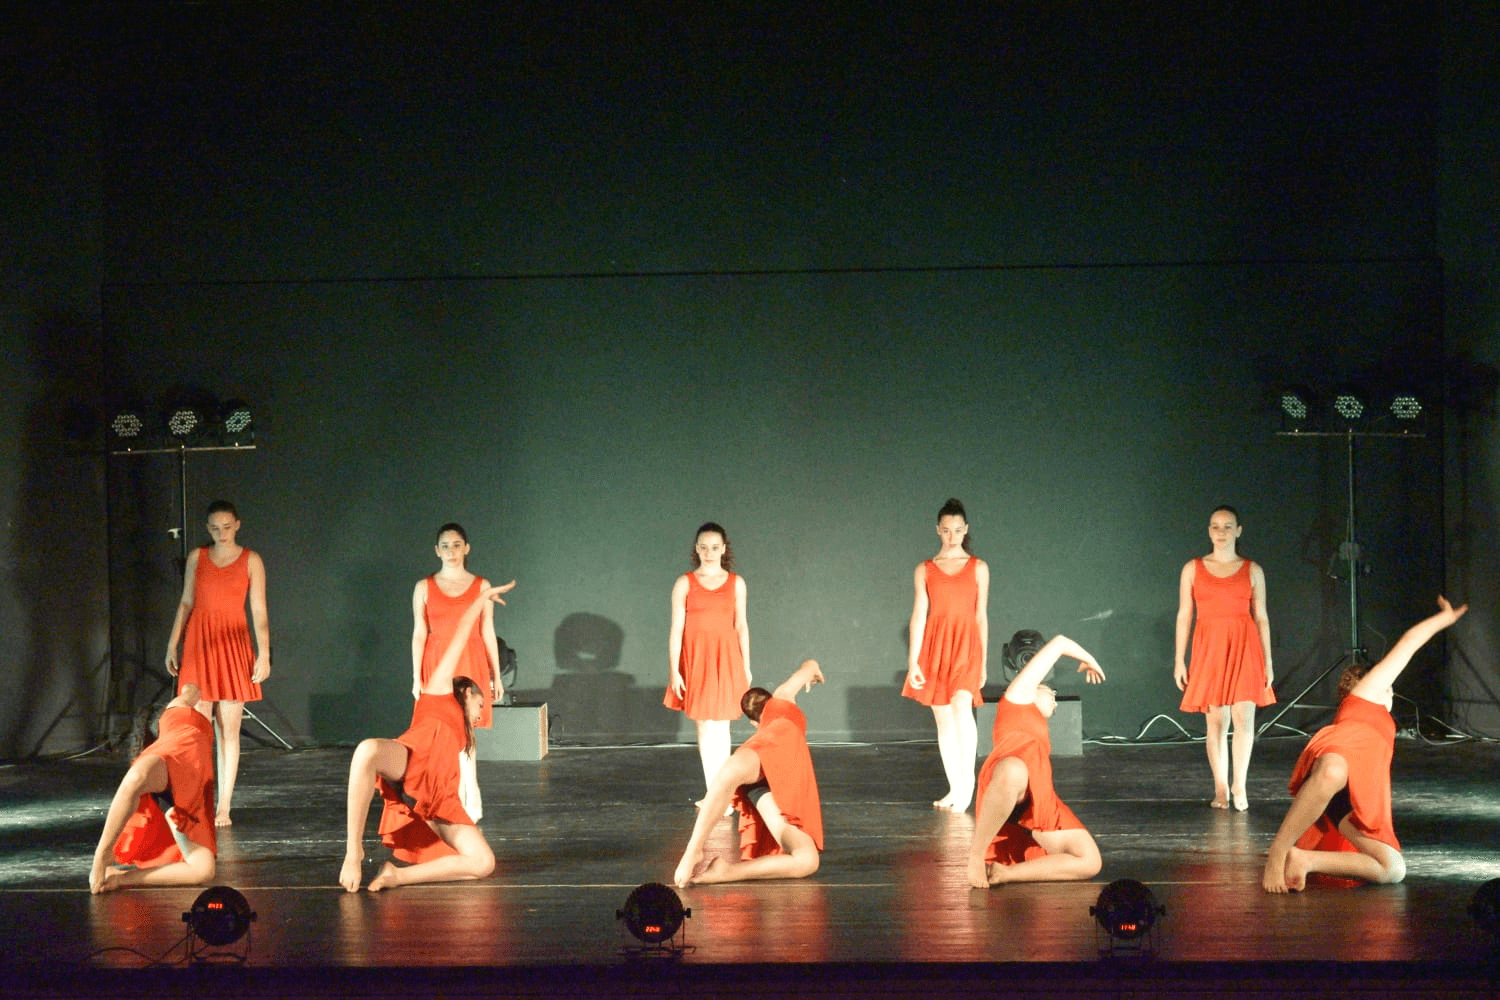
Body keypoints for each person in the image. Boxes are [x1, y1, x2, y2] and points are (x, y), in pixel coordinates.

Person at [1261, 596, 1466, 894]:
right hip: (1336, 761)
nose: (1391, 692)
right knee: (1333, 771)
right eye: (1389, 688)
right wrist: (1444, 619)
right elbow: (1408, 643)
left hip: (1351, 792)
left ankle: (1305, 859)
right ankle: (1278, 853)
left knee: (1393, 868)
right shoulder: (1368, 694)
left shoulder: (1370, 710)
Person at [340, 580, 515, 892]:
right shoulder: (438, 692)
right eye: (480, 704)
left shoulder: (464, 733)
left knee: (484, 863)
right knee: (367, 750)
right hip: (409, 763)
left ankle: (396, 876)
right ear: (466, 692)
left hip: (438, 801)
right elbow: (460, 634)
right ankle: (353, 852)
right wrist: (481, 600)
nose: (481, 714)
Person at [968, 634, 1105, 889]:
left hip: (1038, 797)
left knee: (1090, 862)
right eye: (1049, 690)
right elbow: (1060, 642)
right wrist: (1089, 659)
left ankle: (1005, 874)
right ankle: (976, 856)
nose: (1054, 698)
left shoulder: (1038, 724)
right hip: (1008, 780)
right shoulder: (1015, 701)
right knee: (1014, 769)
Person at [165, 499, 271, 827]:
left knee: (229, 731)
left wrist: (264, 653)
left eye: (226, 527)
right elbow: (186, 602)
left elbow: (259, 610)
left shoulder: (251, 560)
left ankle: (223, 806)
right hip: (200, 644)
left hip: (233, 644)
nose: (221, 533)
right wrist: (172, 644)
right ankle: (198, 800)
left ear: (237, 525)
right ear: (207, 528)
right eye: (214, 528)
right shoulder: (197, 557)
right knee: (198, 730)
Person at [673, 659, 825, 887]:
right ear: (769, 700)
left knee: (807, 861)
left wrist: (811, 671)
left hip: (766, 781)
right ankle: (693, 851)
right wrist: (815, 674)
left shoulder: (777, 705)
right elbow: (810, 665)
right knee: (731, 771)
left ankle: (724, 871)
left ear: (754, 723)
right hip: (772, 753)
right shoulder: (782, 697)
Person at [1173, 505, 1274, 811]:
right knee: (1217, 723)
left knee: (1244, 719)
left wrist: (1268, 661)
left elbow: (1262, 617)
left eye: (1228, 526)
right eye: (1215, 526)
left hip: (1245, 647)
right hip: (1210, 649)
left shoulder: (1253, 570)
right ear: (1209, 531)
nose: (1221, 532)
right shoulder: (1193, 568)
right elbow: (1184, 615)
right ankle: (1220, 788)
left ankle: (1239, 785)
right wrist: (1179, 660)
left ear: (1238, 531)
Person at [903, 498, 990, 811]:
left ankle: (968, 784)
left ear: (966, 529)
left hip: (966, 644)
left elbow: (981, 616)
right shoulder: (925, 569)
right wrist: (913, 660)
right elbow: (919, 615)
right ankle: (955, 788)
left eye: (957, 530)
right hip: (936, 645)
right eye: (946, 530)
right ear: (938, 530)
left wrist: (984, 660)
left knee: (962, 705)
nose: (952, 536)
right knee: (943, 718)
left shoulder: (978, 567)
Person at [88, 683, 217, 893]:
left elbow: (191, 691)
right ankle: (102, 854)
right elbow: (191, 689)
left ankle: (120, 878)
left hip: (187, 792)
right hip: (179, 778)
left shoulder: (175, 715)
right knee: (136, 777)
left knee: (204, 871)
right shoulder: (175, 715)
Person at [413, 523, 504, 818]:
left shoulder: (482, 586)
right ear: (436, 551)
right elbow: (419, 633)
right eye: (445, 546)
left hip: (470, 660)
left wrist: (496, 675)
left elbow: (488, 631)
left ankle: (470, 800)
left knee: (466, 732)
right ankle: (444, 800)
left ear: (466, 548)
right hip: (438, 663)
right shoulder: (424, 587)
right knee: (440, 733)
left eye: (456, 545)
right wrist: (416, 676)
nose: (451, 551)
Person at [665, 522, 752, 802]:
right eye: (704, 547)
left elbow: (741, 626)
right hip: (696, 659)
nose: (709, 553)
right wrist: (674, 670)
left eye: (715, 547)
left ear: (724, 549)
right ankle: (714, 795)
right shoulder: (684, 583)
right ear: (697, 549)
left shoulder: (736, 583)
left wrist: (746, 666)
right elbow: (676, 629)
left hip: (725, 658)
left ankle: (723, 797)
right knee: (703, 724)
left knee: (722, 725)